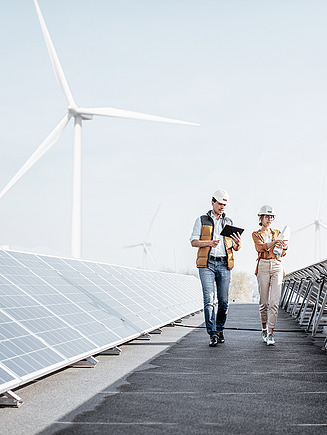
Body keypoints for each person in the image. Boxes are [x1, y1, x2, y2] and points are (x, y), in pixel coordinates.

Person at [190, 189, 242, 347]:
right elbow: (193, 241)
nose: (222, 207)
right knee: (209, 300)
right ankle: (212, 333)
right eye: (220, 204)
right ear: (213, 202)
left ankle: (219, 329)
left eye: (224, 204)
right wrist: (208, 243)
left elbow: (234, 247)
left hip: (224, 264)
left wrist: (239, 244)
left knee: (224, 301)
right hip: (207, 264)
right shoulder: (201, 220)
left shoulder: (229, 222)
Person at [252, 205, 288, 346]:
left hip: (277, 265)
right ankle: (264, 327)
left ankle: (271, 332)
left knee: (274, 302)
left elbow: (283, 251)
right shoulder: (256, 234)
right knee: (264, 303)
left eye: (271, 217)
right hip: (263, 266)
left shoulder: (278, 232)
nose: (269, 219)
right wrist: (275, 242)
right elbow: (260, 247)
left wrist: (283, 247)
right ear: (260, 218)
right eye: (267, 216)